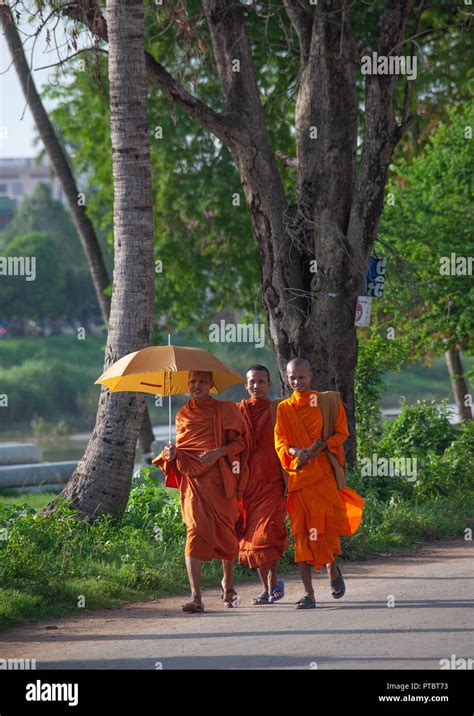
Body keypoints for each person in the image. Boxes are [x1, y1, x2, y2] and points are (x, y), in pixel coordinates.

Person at [153, 370, 249, 613]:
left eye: (202, 382)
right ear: (187, 385)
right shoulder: (182, 414)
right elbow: (183, 450)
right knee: (194, 531)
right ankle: (196, 597)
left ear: (211, 385)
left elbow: (241, 443)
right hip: (193, 483)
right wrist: (170, 455)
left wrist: (218, 452)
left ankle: (228, 583)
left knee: (226, 532)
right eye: (193, 382)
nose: (197, 386)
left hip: (219, 481)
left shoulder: (225, 409)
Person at [274, 358, 364, 609]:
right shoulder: (283, 408)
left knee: (323, 530)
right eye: (292, 377)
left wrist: (322, 445)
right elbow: (279, 441)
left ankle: (332, 568)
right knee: (301, 534)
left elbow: (342, 433)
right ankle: (308, 594)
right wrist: (294, 451)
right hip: (299, 478)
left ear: (311, 376)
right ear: (286, 377)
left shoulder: (327, 403)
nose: (296, 382)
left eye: (301, 377)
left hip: (322, 476)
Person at [236, 365, 288, 605]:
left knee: (266, 536)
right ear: (246, 386)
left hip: (274, 483)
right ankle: (268, 589)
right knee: (250, 540)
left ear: (269, 384)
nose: (256, 386)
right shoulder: (239, 412)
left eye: (260, 381)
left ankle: (274, 580)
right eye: (252, 382)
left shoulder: (279, 411)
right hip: (248, 487)